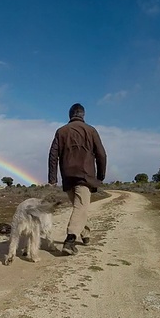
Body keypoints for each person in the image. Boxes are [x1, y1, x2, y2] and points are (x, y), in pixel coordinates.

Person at [48, 103, 107, 255]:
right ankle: (70, 240)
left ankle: (85, 235)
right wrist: (100, 176)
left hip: (67, 176)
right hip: (85, 176)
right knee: (81, 207)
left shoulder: (61, 131)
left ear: (70, 115)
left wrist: (53, 178)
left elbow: (53, 155)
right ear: (83, 115)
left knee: (79, 206)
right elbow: (101, 154)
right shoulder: (91, 130)